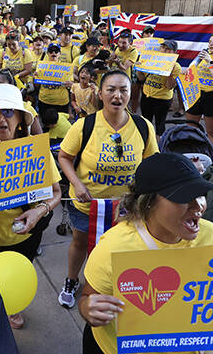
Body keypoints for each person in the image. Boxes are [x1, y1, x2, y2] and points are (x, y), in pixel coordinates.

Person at [78, 152, 213, 354]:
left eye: (201, 194)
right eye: (184, 196)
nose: (199, 205)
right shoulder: (113, 248)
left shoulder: (212, 235)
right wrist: (88, 309)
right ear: (148, 203)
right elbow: (88, 296)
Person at [57, 70, 158, 309]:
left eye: (123, 90)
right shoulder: (84, 126)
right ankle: (72, 280)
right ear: (100, 93)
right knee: (80, 242)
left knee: (120, 248)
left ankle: (112, 284)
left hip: (127, 207)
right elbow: (64, 157)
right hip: (87, 204)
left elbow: (152, 163)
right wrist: (77, 184)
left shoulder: (143, 127)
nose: (117, 95)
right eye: (111, 89)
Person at [0, 83, 61, 329]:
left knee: (15, 281)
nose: (0, 118)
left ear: (19, 118)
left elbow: (56, 193)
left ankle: (13, 307)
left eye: (7, 112)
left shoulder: (36, 150)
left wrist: (39, 211)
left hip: (23, 238)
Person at [138, 39, 182, 136]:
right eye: (163, 48)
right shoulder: (151, 60)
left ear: (174, 52)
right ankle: (147, 145)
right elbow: (141, 78)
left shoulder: (177, 67)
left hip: (162, 100)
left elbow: (169, 86)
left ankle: (158, 147)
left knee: (160, 125)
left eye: (168, 49)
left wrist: (170, 71)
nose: (164, 51)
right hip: (147, 96)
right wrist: (139, 68)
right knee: (146, 123)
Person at [38, 43, 72, 114]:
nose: (53, 53)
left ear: (60, 54)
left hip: (61, 103)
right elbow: (37, 86)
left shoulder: (66, 68)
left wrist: (70, 84)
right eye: (51, 51)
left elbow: (71, 86)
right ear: (47, 53)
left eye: (56, 51)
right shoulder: (41, 67)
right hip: (44, 101)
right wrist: (35, 78)